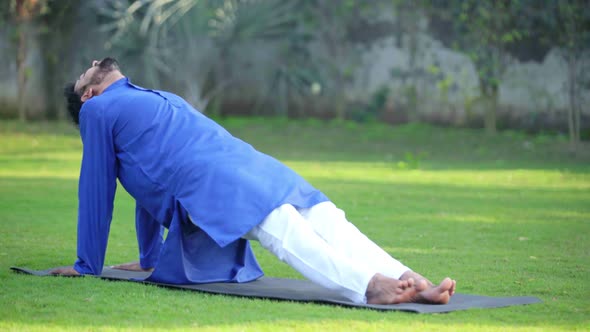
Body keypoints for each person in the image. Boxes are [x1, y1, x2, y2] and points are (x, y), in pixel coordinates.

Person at [50, 58, 456, 305]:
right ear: (87, 95)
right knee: (285, 228)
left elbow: (142, 181)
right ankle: (369, 286)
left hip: (245, 159)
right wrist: (88, 264)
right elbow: (98, 189)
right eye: (85, 72)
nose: (91, 63)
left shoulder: (146, 96)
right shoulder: (98, 112)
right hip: (214, 178)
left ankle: (410, 280)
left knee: (329, 218)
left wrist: (150, 257)